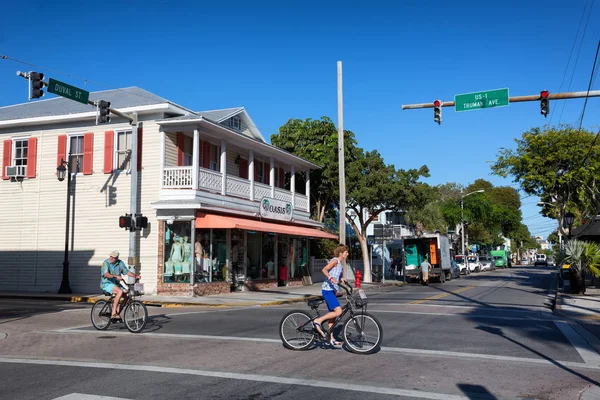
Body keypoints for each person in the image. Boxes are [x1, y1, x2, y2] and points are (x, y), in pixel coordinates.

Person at [313, 244, 349, 347]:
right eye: (346, 252)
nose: (347, 254)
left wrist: (341, 278)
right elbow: (324, 269)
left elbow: (337, 273)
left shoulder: (340, 264)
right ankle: (318, 321)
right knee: (338, 311)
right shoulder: (335, 261)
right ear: (341, 253)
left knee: (332, 317)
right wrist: (330, 278)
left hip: (332, 291)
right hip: (327, 290)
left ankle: (331, 339)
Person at [100, 251, 139, 320]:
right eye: (111, 256)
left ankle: (117, 312)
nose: (111, 258)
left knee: (127, 295)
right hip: (106, 283)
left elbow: (126, 271)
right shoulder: (106, 263)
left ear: (117, 258)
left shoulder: (120, 263)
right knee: (120, 291)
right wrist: (115, 276)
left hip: (116, 284)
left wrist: (135, 276)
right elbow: (106, 274)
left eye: (114, 257)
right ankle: (113, 313)